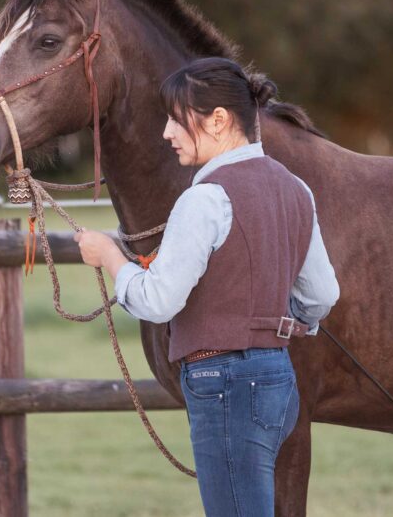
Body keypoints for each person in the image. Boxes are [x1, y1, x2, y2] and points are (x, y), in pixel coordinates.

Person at [74, 57, 341, 516]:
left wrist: (110, 257)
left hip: (223, 384)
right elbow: (322, 295)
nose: (167, 133)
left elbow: (158, 300)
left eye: (177, 119)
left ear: (218, 119)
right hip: (278, 379)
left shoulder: (204, 199)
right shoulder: (296, 189)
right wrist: (272, 326)